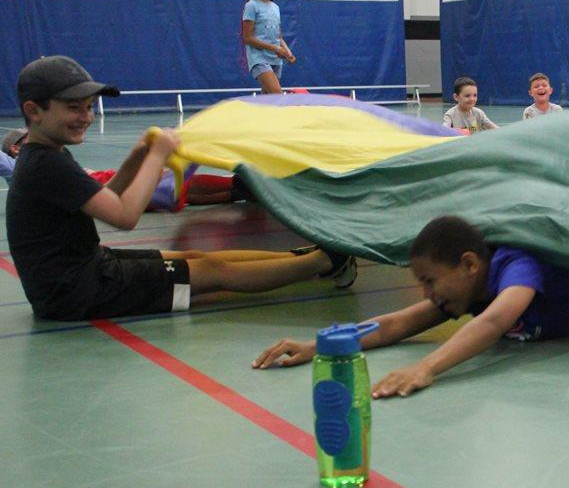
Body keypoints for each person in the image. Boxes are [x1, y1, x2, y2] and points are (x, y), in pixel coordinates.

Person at [6, 56, 356, 322]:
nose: (85, 117)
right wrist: (158, 155)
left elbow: (107, 196)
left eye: (87, 107)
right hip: (79, 292)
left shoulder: (48, 154)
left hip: (80, 274)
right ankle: (326, 261)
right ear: (33, 111)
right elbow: (124, 216)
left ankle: (305, 257)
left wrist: (137, 157)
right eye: (73, 108)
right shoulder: (46, 163)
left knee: (195, 258)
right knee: (213, 272)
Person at [254, 215, 569, 398]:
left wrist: (426, 367)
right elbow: (396, 325)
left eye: (429, 281)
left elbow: (495, 322)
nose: (425, 294)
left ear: (470, 265)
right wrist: (322, 345)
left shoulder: (516, 264)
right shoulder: (465, 293)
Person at [3, 125, 247, 209]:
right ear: (15, 148)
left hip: (98, 180)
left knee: (175, 189)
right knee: (171, 188)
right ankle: (237, 187)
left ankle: (236, 190)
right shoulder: (22, 166)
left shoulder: (44, 160)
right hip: (99, 186)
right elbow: (124, 218)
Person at [241, 0, 295, 95]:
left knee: (269, 101)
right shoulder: (251, 6)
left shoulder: (275, 8)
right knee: (277, 95)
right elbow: (247, 38)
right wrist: (276, 49)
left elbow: (278, 36)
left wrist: (287, 51)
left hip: (275, 60)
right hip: (259, 59)